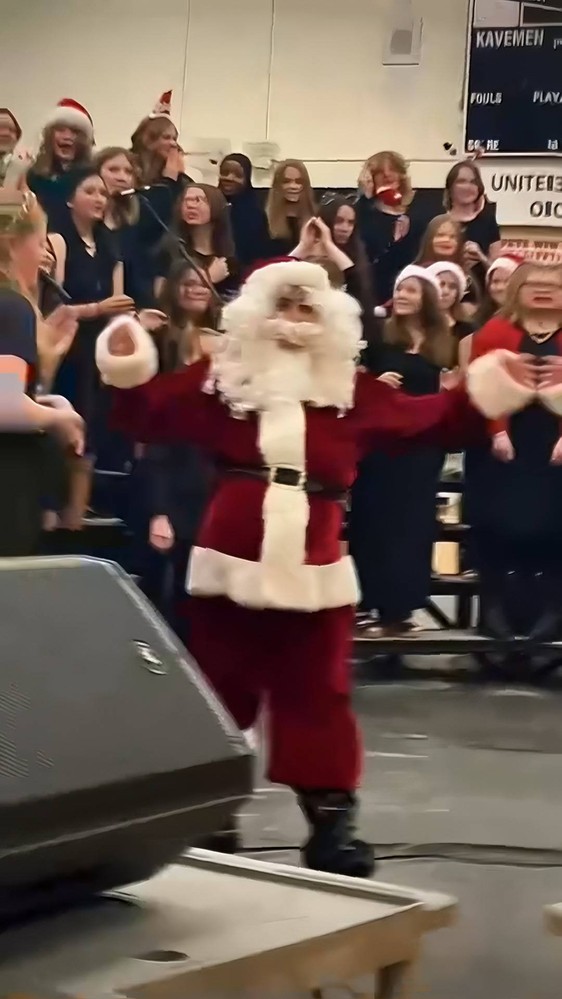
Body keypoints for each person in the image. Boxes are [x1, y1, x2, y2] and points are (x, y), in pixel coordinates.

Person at [95, 258, 497, 876]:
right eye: (282, 305)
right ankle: (210, 815)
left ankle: (332, 825)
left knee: (320, 694)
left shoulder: (350, 390)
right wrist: (125, 359)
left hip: (317, 560)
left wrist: (490, 389)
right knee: (218, 689)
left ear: (329, 319)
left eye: (307, 307)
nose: (293, 320)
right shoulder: (221, 380)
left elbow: (434, 421)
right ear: (257, 313)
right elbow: (145, 410)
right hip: (230, 555)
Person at [351, 264, 456, 637]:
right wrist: (376, 384)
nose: (402, 296)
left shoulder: (442, 344)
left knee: (411, 527)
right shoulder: (381, 340)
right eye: (399, 289)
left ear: (425, 297)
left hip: (422, 450)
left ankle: (400, 609)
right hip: (382, 448)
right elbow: (357, 391)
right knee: (373, 524)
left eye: (411, 290)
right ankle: (371, 602)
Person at [466, 262, 562, 659]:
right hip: (509, 445)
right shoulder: (494, 332)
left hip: (553, 446)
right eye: (534, 285)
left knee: (554, 528)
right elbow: (483, 385)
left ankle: (553, 610)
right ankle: (495, 612)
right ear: (517, 290)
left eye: (552, 285)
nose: (542, 291)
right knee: (500, 526)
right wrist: (498, 430)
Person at [48, 166, 135, 528]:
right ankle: (49, 520)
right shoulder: (58, 241)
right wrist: (96, 309)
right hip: (66, 348)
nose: (99, 199)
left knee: (90, 445)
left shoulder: (110, 245)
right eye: (90, 192)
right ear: (70, 198)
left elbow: (119, 304)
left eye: (103, 193)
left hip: (99, 351)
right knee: (64, 438)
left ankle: (75, 525)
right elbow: (53, 307)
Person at [134, 260, 218, 632]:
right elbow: (157, 453)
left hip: (208, 497)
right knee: (163, 592)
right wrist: (160, 513)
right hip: (173, 497)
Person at [0, 191, 84, 555]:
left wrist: (45, 397)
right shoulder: (12, 306)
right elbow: (6, 406)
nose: (43, 255)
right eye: (39, 243)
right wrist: (60, 419)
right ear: (14, 245)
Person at [156, 183, 236, 297]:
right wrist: (208, 278)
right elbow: (162, 297)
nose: (190, 205)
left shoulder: (227, 258)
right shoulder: (169, 251)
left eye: (199, 200)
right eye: (186, 200)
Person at [25, 98, 94, 228]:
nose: (67, 136)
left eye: (75, 132)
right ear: (49, 135)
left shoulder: (92, 175)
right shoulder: (34, 174)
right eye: (61, 130)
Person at [218, 153, 270, 270]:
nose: (229, 178)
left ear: (247, 178)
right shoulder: (210, 204)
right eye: (225, 173)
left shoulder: (255, 212)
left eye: (238, 175)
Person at [426, 260, 474, 368]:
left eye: (452, 287)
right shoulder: (414, 323)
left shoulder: (466, 330)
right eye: (440, 284)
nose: (445, 291)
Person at [265, 160, 315, 255]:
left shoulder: (316, 219)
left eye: (298, 181)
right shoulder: (264, 220)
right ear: (277, 185)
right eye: (286, 181)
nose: (293, 186)